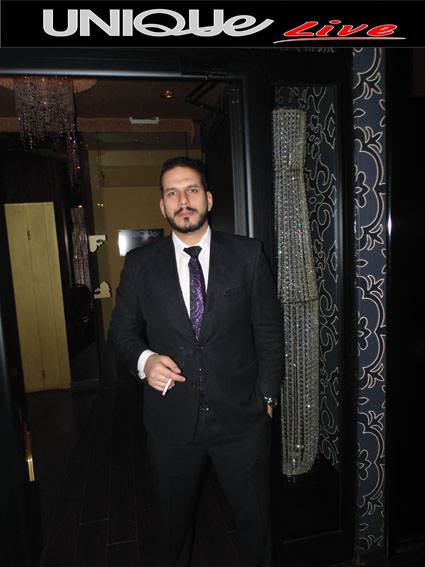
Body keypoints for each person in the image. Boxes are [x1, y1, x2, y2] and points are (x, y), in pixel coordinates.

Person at [109, 156, 283, 567]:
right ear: (162, 205)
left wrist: (267, 398)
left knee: (255, 525)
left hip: (241, 422)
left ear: (208, 198)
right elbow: (120, 333)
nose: (182, 200)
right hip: (171, 424)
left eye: (191, 190)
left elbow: (269, 332)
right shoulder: (140, 265)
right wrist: (146, 361)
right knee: (172, 529)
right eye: (172, 193)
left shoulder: (248, 255)